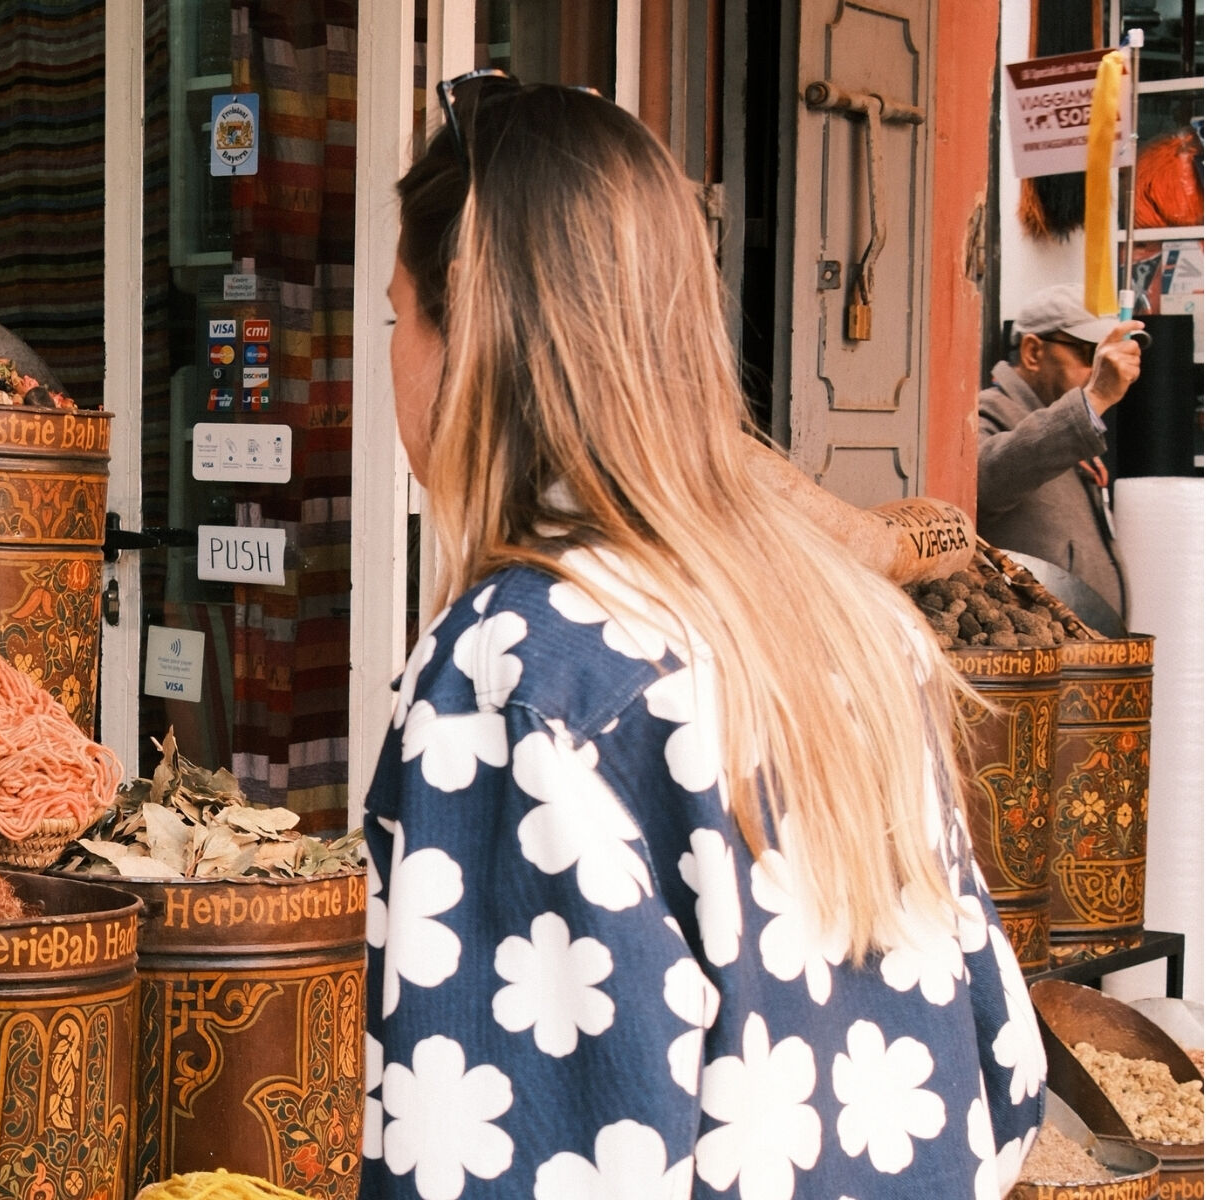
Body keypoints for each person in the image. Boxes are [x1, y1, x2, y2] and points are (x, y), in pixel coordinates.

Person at [363, 73, 1045, 1200]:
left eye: (399, 315)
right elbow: (1002, 1081)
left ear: (471, 336)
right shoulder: (849, 630)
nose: (392, 353)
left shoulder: (518, 670)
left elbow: (504, 1158)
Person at [977, 285, 1144, 613]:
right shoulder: (988, 411)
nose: (1102, 368)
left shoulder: (1061, 417)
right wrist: (1093, 399)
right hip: (1038, 653)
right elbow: (985, 480)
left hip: (1086, 653)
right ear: (1033, 353)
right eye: (1090, 354)